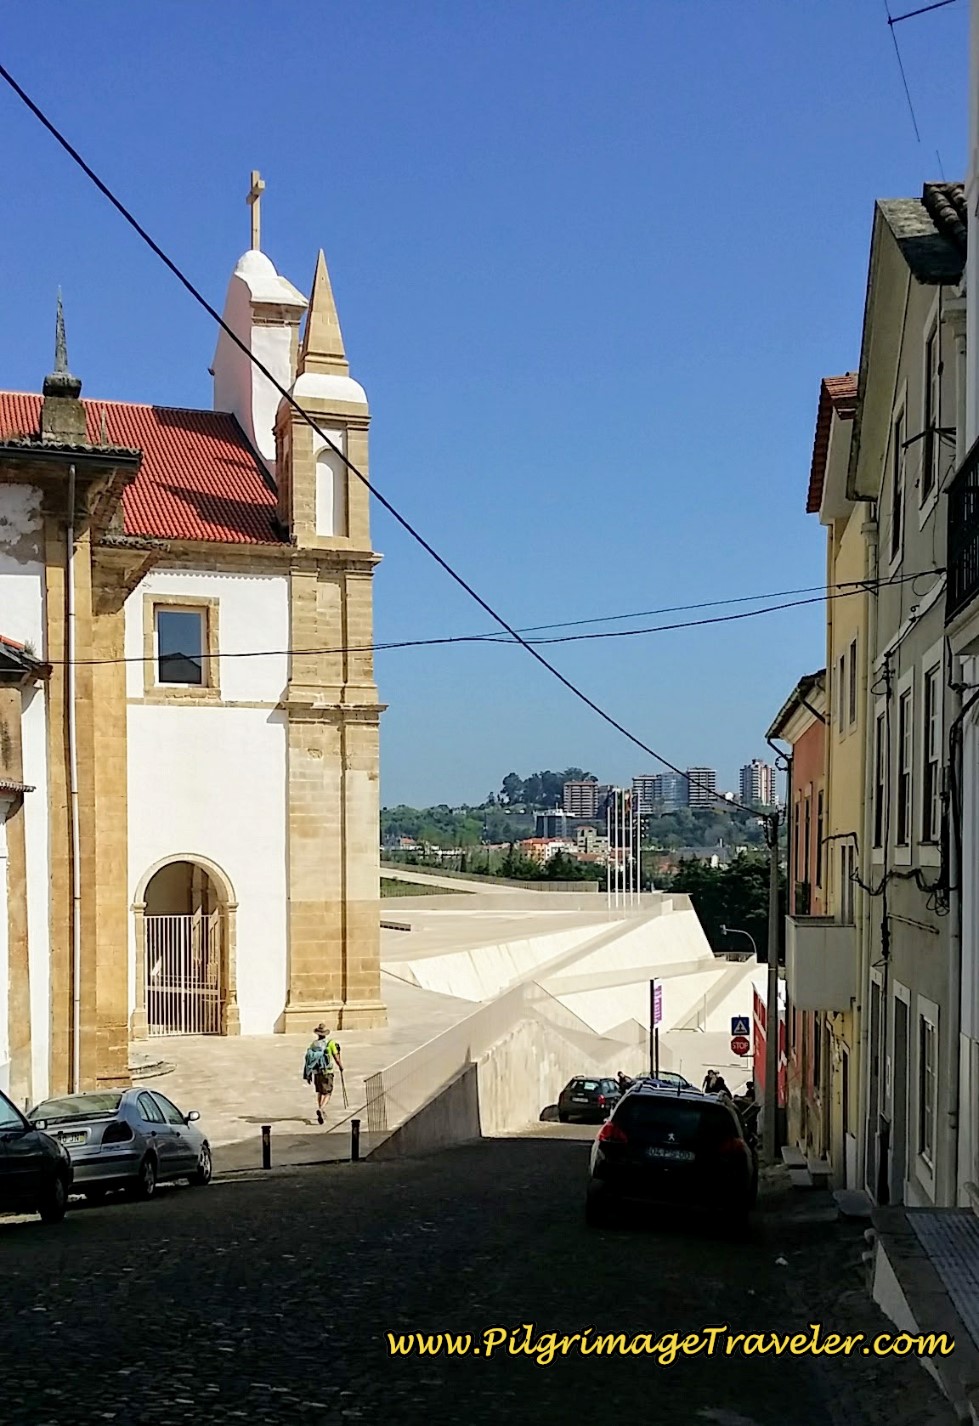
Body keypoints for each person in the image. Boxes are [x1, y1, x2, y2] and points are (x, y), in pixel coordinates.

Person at [303, 1024, 343, 1125]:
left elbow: (309, 1059)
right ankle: (321, 1108)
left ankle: (321, 1109)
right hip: (327, 1071)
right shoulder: (330, 1043)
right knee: (328, 1092)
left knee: (320, 1091)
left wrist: (308, 1073)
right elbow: (335, 1056)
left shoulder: (314, 1044)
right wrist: (340, 1066)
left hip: (316, 1072)